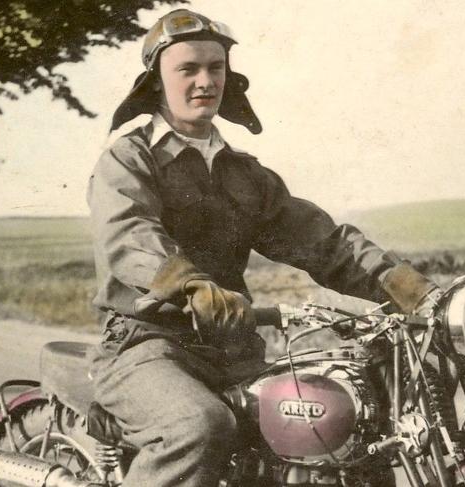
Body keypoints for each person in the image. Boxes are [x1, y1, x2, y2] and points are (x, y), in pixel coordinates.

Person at [87, 8, 438, 487]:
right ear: (155, 83)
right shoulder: (129, 159)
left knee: (329, 427)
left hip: (232, 346)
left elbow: (322, 242)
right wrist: (191, 285)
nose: (204, 81)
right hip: (145, 344)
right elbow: (129, 233)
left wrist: (404, 285)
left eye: (216, 67)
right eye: (187, 69)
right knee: (196, 428)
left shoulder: (244, 174)